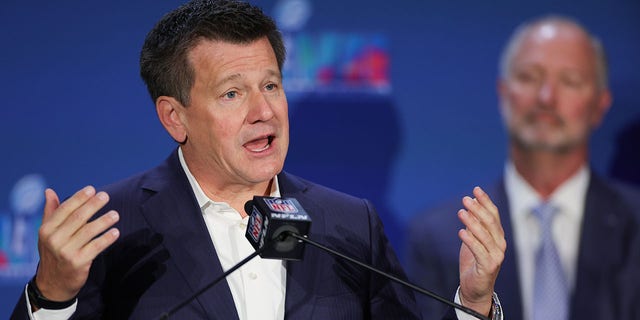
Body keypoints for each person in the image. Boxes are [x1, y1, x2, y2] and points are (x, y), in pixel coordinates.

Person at [11, 0, 506, 319]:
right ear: (174, 117)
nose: (264, 110)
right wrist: (52, 296)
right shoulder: (112, 230)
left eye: (271, 85)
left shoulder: (349, 225)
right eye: (232, 93)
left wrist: (474, 302)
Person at [406, 15, 640, 320]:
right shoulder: (440, 237)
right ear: (503, 93)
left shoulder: (635, 225)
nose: (546, 98)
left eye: (570, 81)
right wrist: (472, 306)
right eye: (530, 77)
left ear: (600, 105)